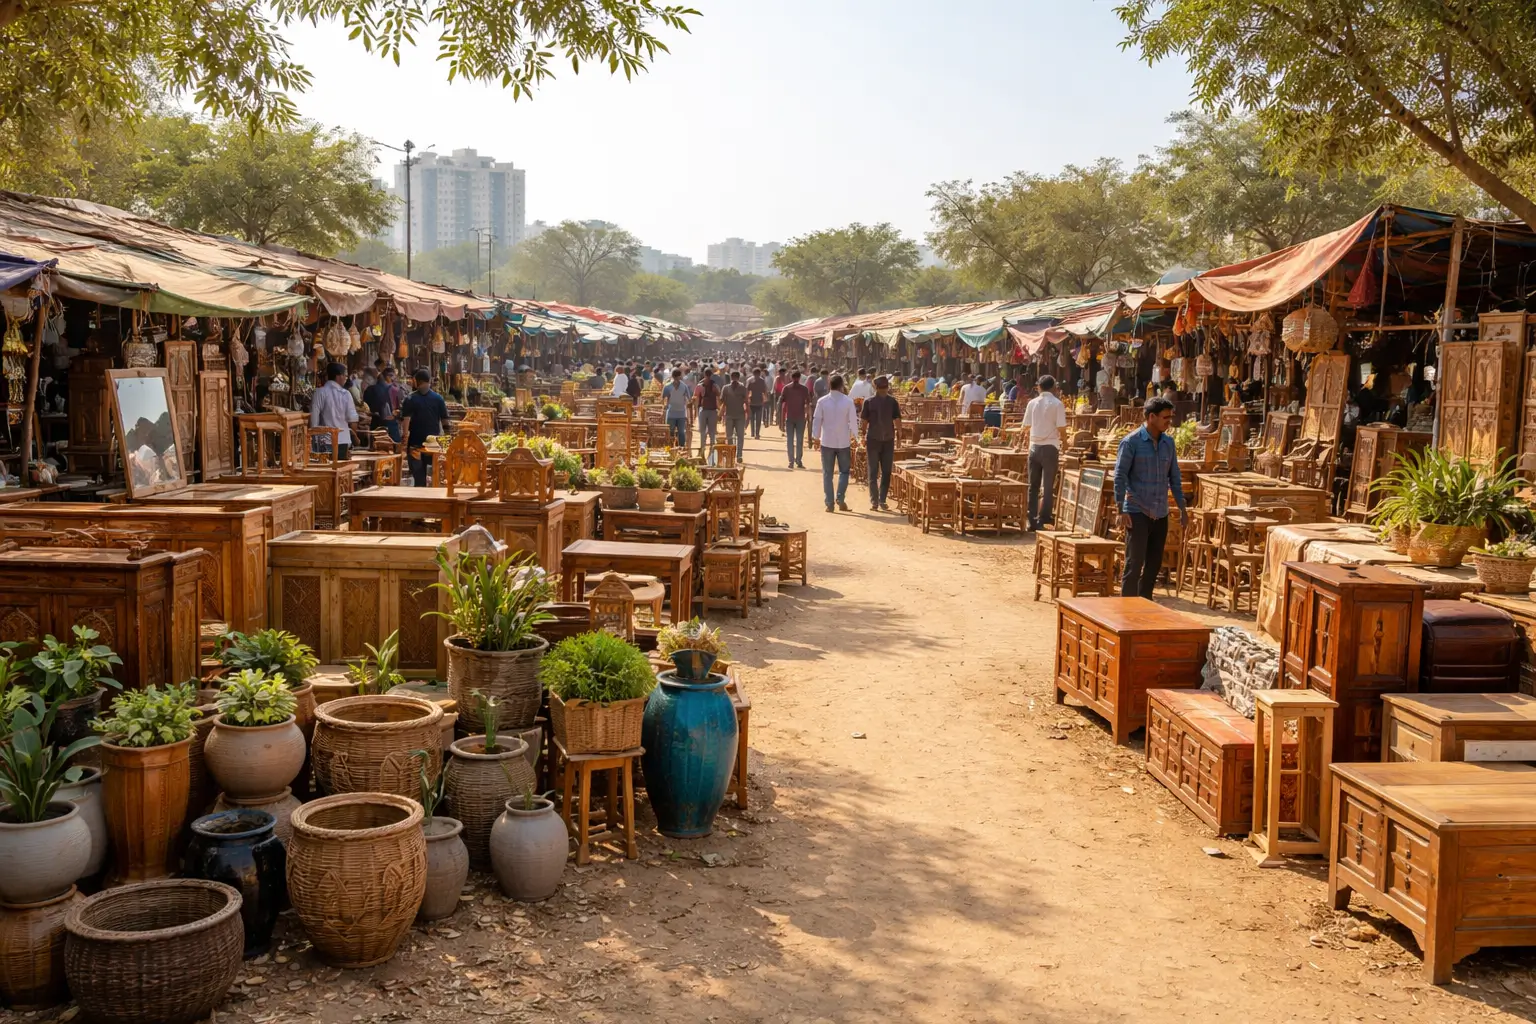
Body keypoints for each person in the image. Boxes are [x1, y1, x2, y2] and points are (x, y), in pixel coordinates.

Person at [1113, 396, 1188, 599]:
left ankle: (1144, 605)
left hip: (1160, 512)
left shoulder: (1168, 444)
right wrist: (1121, 510)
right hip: (1136, 511)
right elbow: (1120, 476)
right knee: (1134, 563)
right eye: (1165, 417)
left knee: (1154, 564)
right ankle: (1126, 608)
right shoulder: (1131, 442)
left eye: (1170, 418)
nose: (1169, 422)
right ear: (1151, 417)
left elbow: (1175, 477)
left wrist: (1182, 508)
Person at [1023, 374, 1067, 531]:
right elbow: (1062, 428)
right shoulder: (1057, 404)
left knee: (1033, 486)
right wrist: (1066, 443)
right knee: (1047, 486)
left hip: (1034, 447)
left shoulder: (1032, 403)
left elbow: (1026, 427)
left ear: (1038, 387)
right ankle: (1043, 519)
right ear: (1054, 388)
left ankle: (1030, 520)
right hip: (1050, 448)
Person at [812, 374, 858, 512]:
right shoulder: (848, 401)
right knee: (844, 472)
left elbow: (817, 420)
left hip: (827, 442)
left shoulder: (822, 401)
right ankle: (840, 498)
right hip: (843, 442)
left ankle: (829, 503)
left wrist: (816, 438)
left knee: (828, 474)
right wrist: (855, 437)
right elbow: (853, 422)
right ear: (841, 386)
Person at [400, 368, 449, 487]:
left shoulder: (410, 399)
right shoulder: (438, 399)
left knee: (418, 477)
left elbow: (406, 421)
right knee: (435, 476)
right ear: (429, 381)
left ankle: (420, 500)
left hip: (415, 445)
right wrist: (447, 440)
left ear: (417, 381)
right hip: (433, 447)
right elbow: (445, 421)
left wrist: (404, 440)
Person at [860, 375, 901, 511]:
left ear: (875, 387)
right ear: (887, 387)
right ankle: (881, 500)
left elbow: (864, 421)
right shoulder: (892, 402)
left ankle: (875, 501)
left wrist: (862, 435)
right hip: (887, 440)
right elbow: (897, 421)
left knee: (873, 471)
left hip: (873, 439)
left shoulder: (869, 402)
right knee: (886, 471)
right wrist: (899, 437)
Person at [310, 362, 359, 460]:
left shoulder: (319, 392)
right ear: (338, 376)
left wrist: (314, 442)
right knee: (342, 472)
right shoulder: (346, 394)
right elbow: (353, 420)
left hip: (325, 442)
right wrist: (355, 437)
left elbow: (314, 420)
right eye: (344, 375)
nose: (346, 378)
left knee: (326, 472)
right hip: (343, 441)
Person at [363, 365, 402, 443]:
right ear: (388, 377)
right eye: (394, 377)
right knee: (393, 449)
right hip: (391, 426)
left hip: (375, 425)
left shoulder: (369, 390)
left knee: (375, 448)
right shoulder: (395, 390)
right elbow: (399, 409)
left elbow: (366, 407)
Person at [780, 370, 811, 469]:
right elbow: (808, 403)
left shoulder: (787, 388)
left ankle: (792, 461)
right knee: (799, 440)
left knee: (790, 440)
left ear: (792, 378)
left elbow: (781, 402)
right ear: (799, 378)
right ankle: (798, 460)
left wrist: (781, 419)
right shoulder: (804, 389)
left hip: (790, 417)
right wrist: (808, 415)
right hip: (799, 417)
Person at [721, 370, 749, 461]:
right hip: (729, 415)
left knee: (740, 436)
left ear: (738, 378)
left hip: (740, 416)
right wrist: (721, 413)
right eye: (733, 377)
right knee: (729, 436)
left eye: (735, 377)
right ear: (731, 378)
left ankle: (739, 455)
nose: (734, 379)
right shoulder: (725, 388)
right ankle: (731, 454)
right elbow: (721, 401)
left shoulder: (743, 388)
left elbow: (746, 401)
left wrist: (748, 413)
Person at [695, 368, 720, 460]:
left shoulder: (700, 385)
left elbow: (696, 398)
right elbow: (718, 397)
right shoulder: (715, 385)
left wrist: (695, 411)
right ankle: (712, 452)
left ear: (704, 374)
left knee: (702, 432)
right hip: (713, 411)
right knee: (712, 432)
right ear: (711, 375)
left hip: (703, 410)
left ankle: (702, 451)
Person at [662, 368, 691, 447]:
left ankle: (681, 448)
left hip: (681, 413)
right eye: (675, 377)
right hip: (671, 413)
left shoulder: (684, 386)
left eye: (677, 377)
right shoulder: (668, 386)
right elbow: (663, 398)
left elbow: (689, 398)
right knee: (670, 432)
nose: (676, 379)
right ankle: (670, 447)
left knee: (681, 432)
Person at [746, 366, 768, 438]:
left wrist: (746, 400)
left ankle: (753, 433)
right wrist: (765, 399)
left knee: (752, 418)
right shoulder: (762, 381)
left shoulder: (749, 380)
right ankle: (757, 434)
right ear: (759, 373)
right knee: (758, 419)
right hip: (759, 402)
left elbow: (746, 391)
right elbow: (765, 391)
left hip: (752, 402)